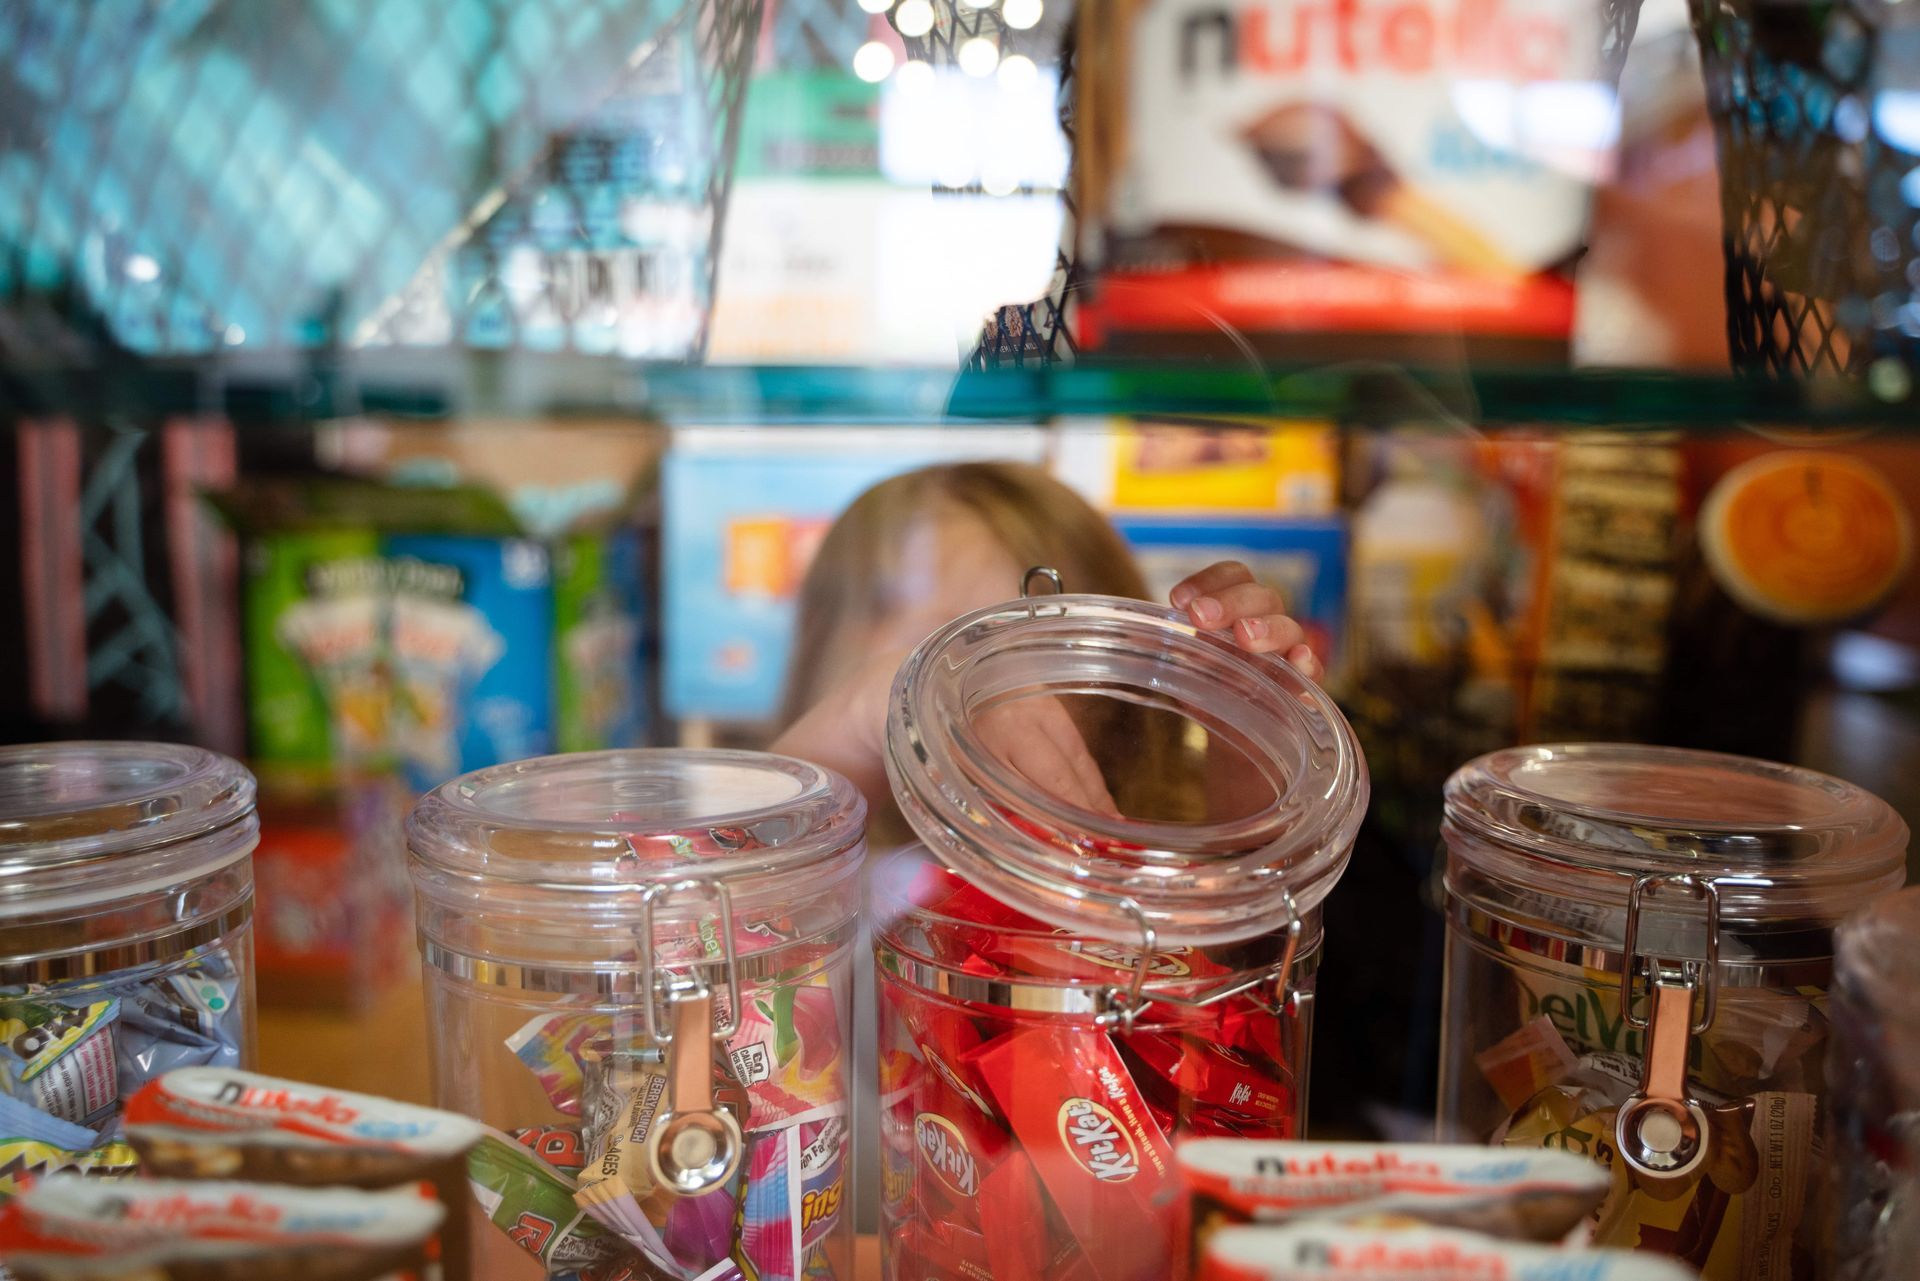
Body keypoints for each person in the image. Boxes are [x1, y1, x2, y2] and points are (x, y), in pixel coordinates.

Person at [770, 460, 1322, 837]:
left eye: (1036, 652)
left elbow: (1241, 954)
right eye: (932, 646)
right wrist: (882, 703)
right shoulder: (846, 867)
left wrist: (1247, 786)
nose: (969, 689)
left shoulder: (1135, 866)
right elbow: (752, 863)